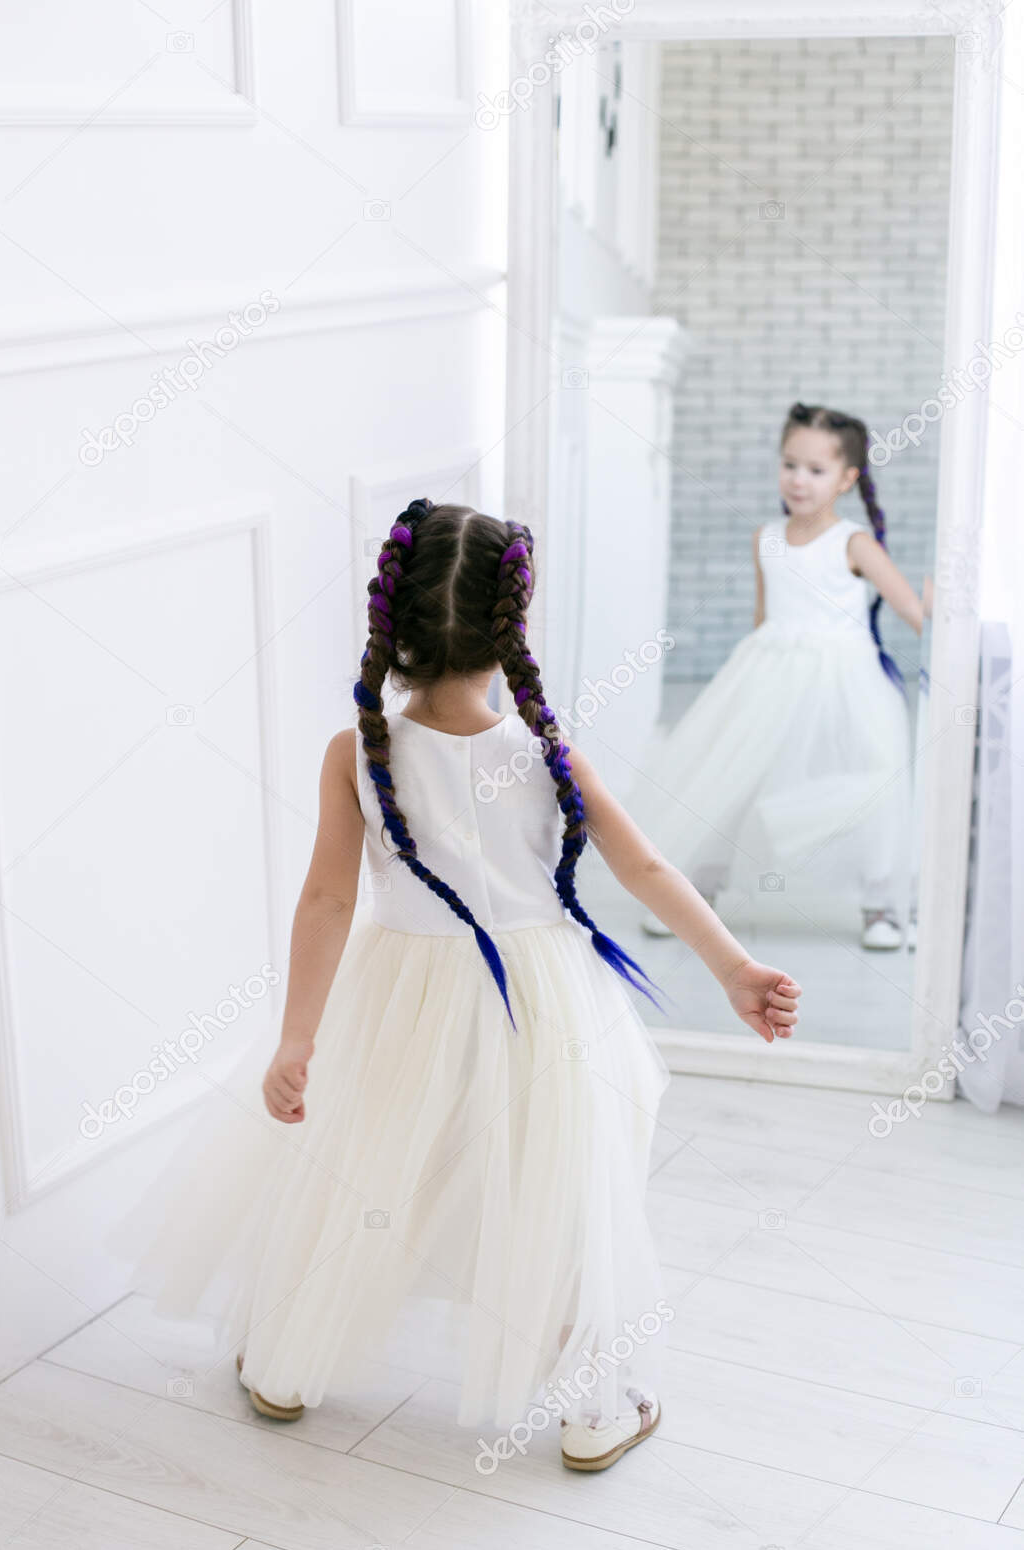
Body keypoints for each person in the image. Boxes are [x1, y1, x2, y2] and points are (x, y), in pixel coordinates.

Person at [109, 500, 800, 1474]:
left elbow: (322, 900)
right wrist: (732, 966)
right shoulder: (543, 756)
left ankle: (287, 1362)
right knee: (556, 1189)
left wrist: (298, 1039)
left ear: (387, 632)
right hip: (545, 1005)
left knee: (371, 1169)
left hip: (397, 993)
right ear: (509, 632)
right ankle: (591, 1405)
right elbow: (646, 871)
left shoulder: (358, 752)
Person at [638, 403, 923, 950]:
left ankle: (880, 901)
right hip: (769, 670)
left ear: (846, 478)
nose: (798, 479)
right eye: (790, 464)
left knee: (871, 778)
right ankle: (699, 887)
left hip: (845, 677)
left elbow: (911, 606)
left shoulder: (854, 542)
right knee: (734, 770)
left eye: (816, 470)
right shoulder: (766, 537)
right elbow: (764, 618)